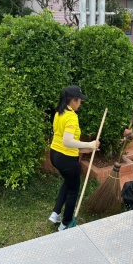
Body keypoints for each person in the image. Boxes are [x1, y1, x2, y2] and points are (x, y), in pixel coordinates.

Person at [48, 85, 100, 231]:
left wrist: (86, 147)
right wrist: (90, 144)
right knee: (73, 190)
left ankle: (56, 213)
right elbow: (67, 141)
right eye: (79, 100)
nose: (80, 103)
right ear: (73, 101)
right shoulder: (71, 117)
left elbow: (63, 140)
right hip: (67, 159)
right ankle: (65, 223)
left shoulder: (60, 113)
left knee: (68, 182)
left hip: (55, 155)